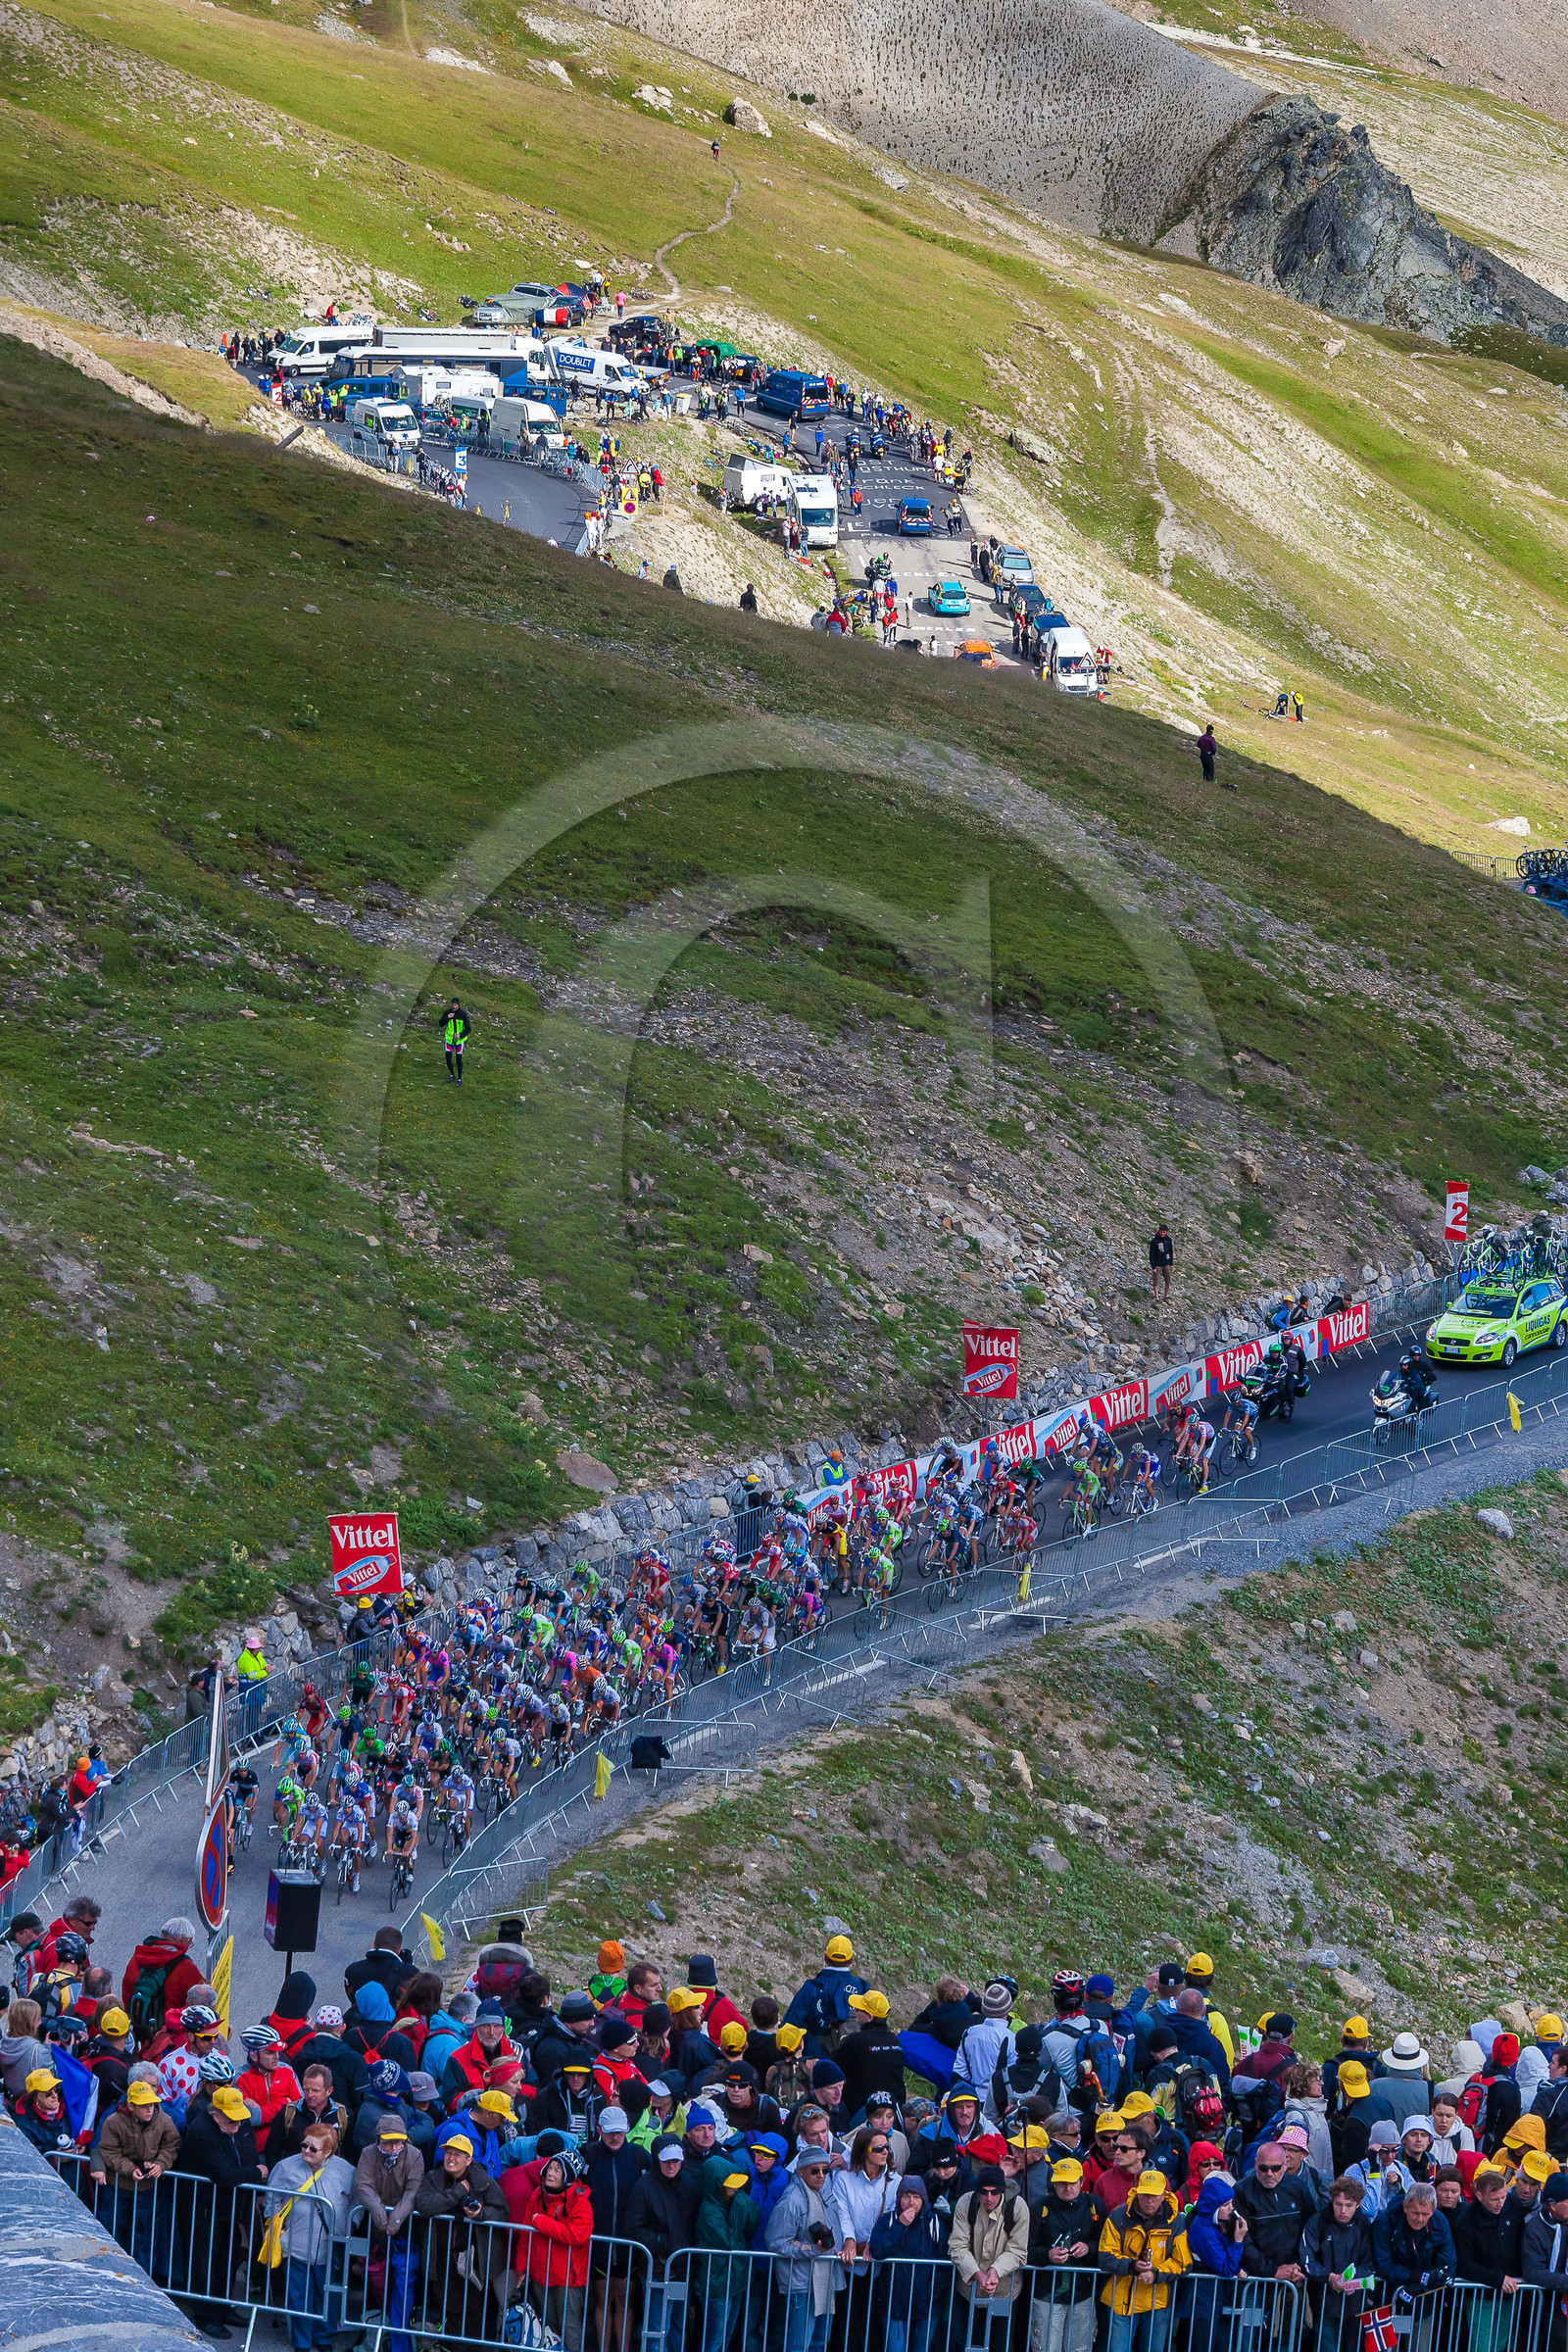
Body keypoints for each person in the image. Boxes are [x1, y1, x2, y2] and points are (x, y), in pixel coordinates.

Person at [263, 2116, 358, 2352]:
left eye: (313, 2148)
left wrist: (352, 2224)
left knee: (327, 2295)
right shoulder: (285, 2167)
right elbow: (272, 2198)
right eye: (304, 2145)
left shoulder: (346, 2171)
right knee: (299, 2295)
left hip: (330, 2244)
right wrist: (276, 2227)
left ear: (328, 2152)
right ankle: (302, 2342)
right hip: (296, 2244)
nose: (306, 2150)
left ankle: (323, 2338)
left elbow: (357, 2201)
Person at [766, 2146, 847, 2352]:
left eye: (825, 2170)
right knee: (798, 2344)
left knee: (820, 2342)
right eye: (815, 2171)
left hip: (825, 2279)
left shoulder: (823, 2191)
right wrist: (811, 2249)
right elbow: (777, 2241)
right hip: (802, 2284)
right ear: (800, 2171)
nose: (821, 2176)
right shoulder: (791, 2200)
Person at [355, 2117, 425, 2352]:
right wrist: (377, 2209)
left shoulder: (414, 2155)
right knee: (373, 2283)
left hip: (406, 2228)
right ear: (378, 2140)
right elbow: (363, 2185)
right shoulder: (368, 2153)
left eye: (399, 2143)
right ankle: (370, 2332)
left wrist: (395, 2217)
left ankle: (398, 2338)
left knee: (403, 2284)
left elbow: (412, 2191)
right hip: (375, 2228)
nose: (394, 2148)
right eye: (388, 2143)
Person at [443, 998, 470, 1084]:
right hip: (449, 1039)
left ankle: (459, 1078)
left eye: (456, 1005)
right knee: (448, 1058)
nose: (454, 1006)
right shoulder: (448, 1013)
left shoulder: (463, 1014)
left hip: (459, 1041)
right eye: (453, 1005)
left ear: (458, 1005)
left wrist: (460, 1035)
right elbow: (441, 1023)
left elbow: (468, 1028)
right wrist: (447, 1017)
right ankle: (452, 1074)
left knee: (459, 1060)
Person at [1149, 1225, 1173, 1303]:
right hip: (1157, 1264)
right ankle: (1157, 1298)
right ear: (1159, 1231)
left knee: (1168, 1280)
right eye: (1161, 1232)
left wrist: (1171, 1263)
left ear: (1166, 1232)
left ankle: (1165, 1296)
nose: (1162, 1233)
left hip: (1166, 1263)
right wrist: (1153, 1266)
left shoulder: (1168, 1240)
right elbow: (1151, 1255)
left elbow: (1171, 1251)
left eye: (1164, 1232)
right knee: (1156, 1282)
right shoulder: (1154, 1241)